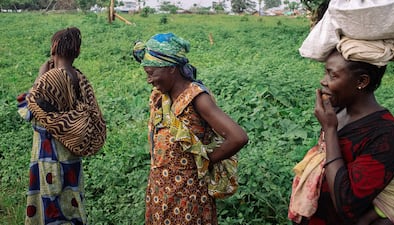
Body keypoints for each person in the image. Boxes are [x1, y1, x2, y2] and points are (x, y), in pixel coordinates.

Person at [133, 32, 248, 224]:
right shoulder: (160, 96)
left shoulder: (197, 98)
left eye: (152, 73)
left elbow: (238, 137)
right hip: (160, 189)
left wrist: (206, 160)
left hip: (188, 195)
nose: (149, 80)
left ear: (171, 69)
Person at [288, 37, 394, 225]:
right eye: (325, 73)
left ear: (362, 81)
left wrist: (330, 130)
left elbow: (346, 202)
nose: (323, 81)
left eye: (333, 75)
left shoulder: (387, 134)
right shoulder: (338, 111)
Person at [17, 27, 106, 225]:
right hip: (71, 157)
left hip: (49, 157)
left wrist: (39, 78)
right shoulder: (79, 76)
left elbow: (29, 111)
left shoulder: (50, 78)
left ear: (53, 49)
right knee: (71, 202)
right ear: (77, 52)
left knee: (51, 207)